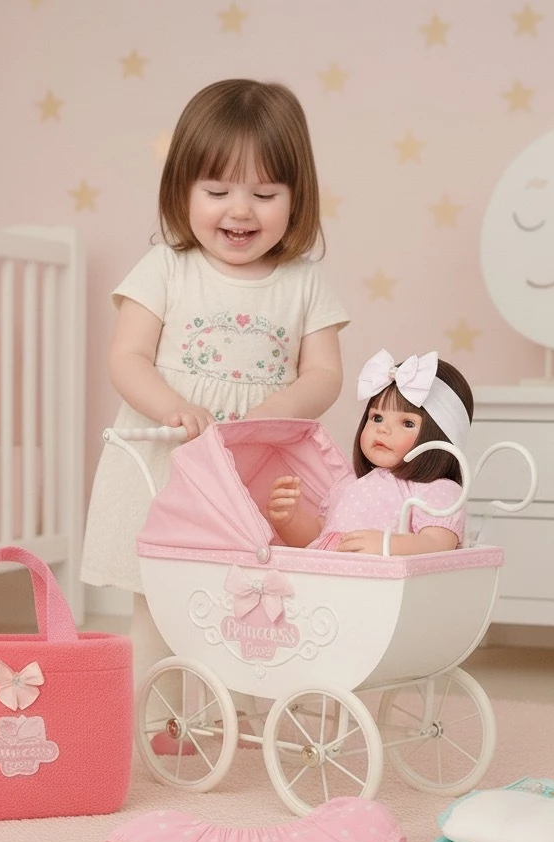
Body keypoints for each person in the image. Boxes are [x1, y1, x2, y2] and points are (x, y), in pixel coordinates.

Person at [81, 78, 349, 697]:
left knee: (252, 598)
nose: (241, 210)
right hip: (172, 458)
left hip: (253, 460)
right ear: (183, 189)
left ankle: (245, 707)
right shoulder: (166, 267)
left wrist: (280, 408)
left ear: (297, 197)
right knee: (160, 595)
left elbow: (325, 372)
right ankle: (154, 718)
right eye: (218, 191)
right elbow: (127, 358)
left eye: (264, 194)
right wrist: (173, 407)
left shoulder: (303, 281)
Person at [268, 349, 473, 554]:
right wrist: (290, 521)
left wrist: (387, 545)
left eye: (407, 423)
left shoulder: (437, 490)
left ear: (440, 437)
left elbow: (437, 544)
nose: (383, 429)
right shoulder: (348, 484)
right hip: (326, 574)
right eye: (377, 418)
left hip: (375, 576)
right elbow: (318, 539)